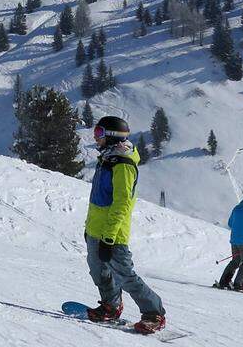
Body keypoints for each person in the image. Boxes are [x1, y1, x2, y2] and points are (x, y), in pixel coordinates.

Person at [83, 116, 166, 335]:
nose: (95, 137)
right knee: (98, 271)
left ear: (111, 137)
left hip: (113, 233)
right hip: (95, 230)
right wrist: (88, 228)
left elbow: (122, 203)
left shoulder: (123, 164)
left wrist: (109, 236)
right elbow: (98, 199)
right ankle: (111, 306)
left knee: (125, 276)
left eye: (99, 133)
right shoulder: (107, 159)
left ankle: (154, 312)